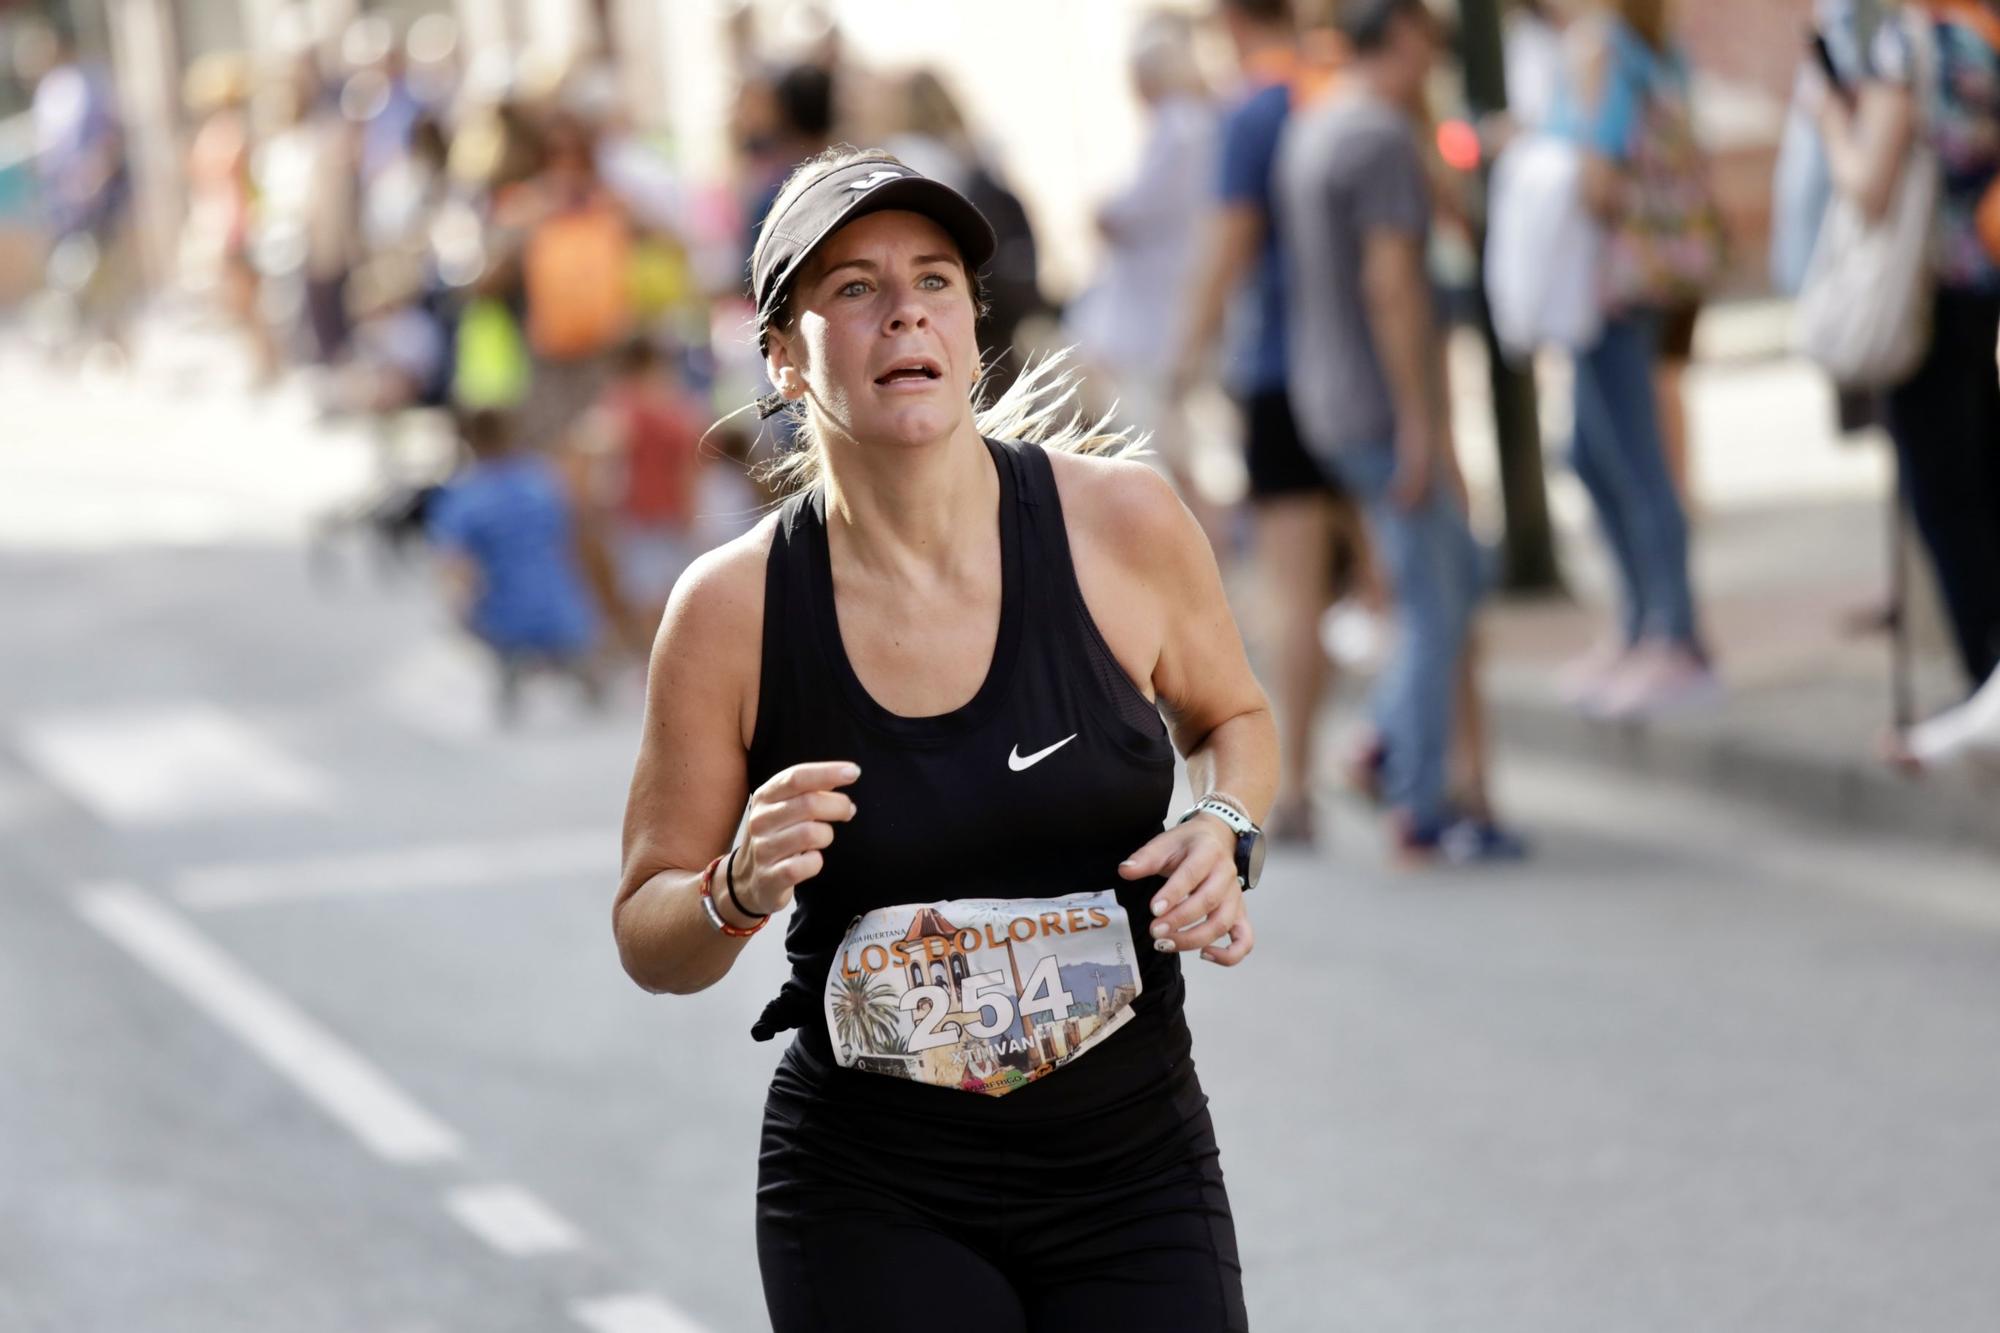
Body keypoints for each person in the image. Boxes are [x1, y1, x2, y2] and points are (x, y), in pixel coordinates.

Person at [614, 148, 1275, 1331]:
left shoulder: (1121, 523)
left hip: (1131, 1168)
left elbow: (1234, 718)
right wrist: (730, 884)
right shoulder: (730, 611)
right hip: (873, 1191)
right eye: (854, 287)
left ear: (972, 321)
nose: (903, 307)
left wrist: (1224, 827)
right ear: (779, 352)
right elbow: (648, 932)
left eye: (932, 279)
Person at [1278, 0, 1525, 864]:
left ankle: (1396, 749)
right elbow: (1393, 287)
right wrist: (1425, 426)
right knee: (1437, 594)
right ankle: (1406, 782)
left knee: (1446, 576)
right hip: (1381, 405)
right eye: (1429, 40)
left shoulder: (1319, 123)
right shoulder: (1377, 136)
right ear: (1405, 38)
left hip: (1328, 395)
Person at [1175, 0, 1362, 844]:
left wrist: (1186, 356)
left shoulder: (1257, 108)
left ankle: (1302, 785)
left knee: (1296, 589)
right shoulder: (1341, 85)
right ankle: (1412, 750)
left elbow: (1230, 242)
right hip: (1364, 369)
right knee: (1390, 573)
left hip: (1281, 373)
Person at [1815, 0, 2000, 691]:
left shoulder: (1905, 42)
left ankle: (1987, 682)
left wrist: (1831, 120)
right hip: (1978, 275)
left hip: (1919, 292)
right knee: (1981, 474)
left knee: (1947, 501)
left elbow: (1868, 184)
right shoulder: (1978, 31)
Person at [1545, 0, 1718, 717]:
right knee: (1590, 451)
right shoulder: (1649, 47)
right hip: (1625, 286)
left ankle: (1673, 635)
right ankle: (1643, 622)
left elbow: (1599, 182)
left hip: (1614, 289)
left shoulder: (1605, 54)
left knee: (1633, 459)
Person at [1064, 13, 1217, 525]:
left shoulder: (1179, 127)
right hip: (1164, 298)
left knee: (1155, 439)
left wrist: (1102, 212)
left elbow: (1135, 209)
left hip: (1159, 308)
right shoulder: (1189, 123)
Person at [428, 410, 603, 722]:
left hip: (503, 606)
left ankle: (511, 691)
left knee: (506, 656)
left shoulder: (466, 494)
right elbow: (576, 530)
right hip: (557, 599)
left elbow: (455, 561)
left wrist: (458, 607)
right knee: (574, 658)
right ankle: (590, 690)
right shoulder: (541, 477)